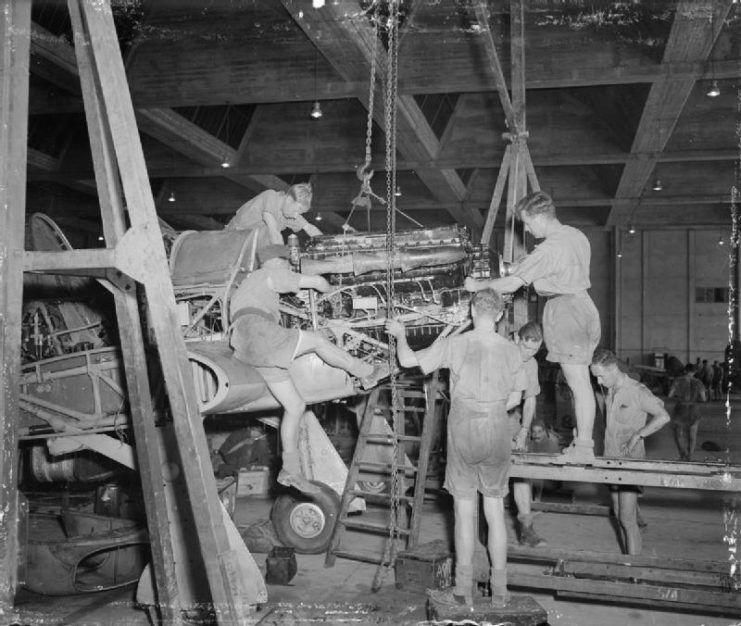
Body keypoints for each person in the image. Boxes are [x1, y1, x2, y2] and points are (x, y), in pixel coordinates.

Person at [385, 289, 526, 609]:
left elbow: (408, 361)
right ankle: (501, 591)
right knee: (494, 511)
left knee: (464, 512)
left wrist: (401, 335)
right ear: (501, 315)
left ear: (471, 312)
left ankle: (463, 591)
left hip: (463, 428)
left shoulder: (456, 342)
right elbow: (516, 399)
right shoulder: (512, 350)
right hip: (497, 427)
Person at [229, 244, 387, 493]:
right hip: (259, 331)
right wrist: (332, 289)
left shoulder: (250, 285)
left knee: (295, 406)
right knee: (318, 341)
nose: (288, 267)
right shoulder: (269, 273)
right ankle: (365, 371)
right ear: (277, 261)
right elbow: (318, 283)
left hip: (248, 343)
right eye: (286, 263)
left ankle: (290, 469)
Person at [464, 191, 600, 464]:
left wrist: (477, 286)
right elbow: (546, 267)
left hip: (565, 311)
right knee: (581, 382)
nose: (526, 228)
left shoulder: (549, 248)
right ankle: (583, 443)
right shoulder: (575, 236)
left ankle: (584, 447)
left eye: (527, 222)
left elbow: (514, 284)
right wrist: (518, 267)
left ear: (539, 217)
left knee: (578, 383)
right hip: (584, 305)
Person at [590, 349, 670, 555]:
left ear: (613, 368)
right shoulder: (609, 390)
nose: (598, 380)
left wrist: (639, 435)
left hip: (629, 463)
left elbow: (663, 416)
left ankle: (634, 572)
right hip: (611, 459)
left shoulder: (636, 390)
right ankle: (628, 561)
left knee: (627, 519)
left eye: (600, 375)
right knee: (618, 514)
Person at [509, 322, 548, 547]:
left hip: (513, 418)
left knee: (521, 472)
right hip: (489, 417)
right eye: (525, 348)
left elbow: (530, 397)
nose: (529, 354)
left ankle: (527, 529)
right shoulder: (502, 354)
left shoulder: (531, 364)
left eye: (534, 350)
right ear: (517, 338)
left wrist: (524, 429)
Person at [225, 183, 322, 245]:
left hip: (251, 245)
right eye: (298, 210)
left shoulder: (289, 214)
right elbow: (273, 229)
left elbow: (309, 228)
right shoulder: (270, 196)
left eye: (301, 213)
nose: (296, 215)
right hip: (232, 238)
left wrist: (329, 244)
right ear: (289, 199)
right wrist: (281, 256)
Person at [667, 364, 707, 461]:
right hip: (694, 409)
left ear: (685, 370)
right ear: (694, 372)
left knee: (678, 434)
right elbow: (704, 398)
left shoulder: (678, 381)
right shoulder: (699, 382)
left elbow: (670, 395)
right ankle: (690, 455)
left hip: (681, 408)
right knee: (693, 434)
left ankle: (682, 454)